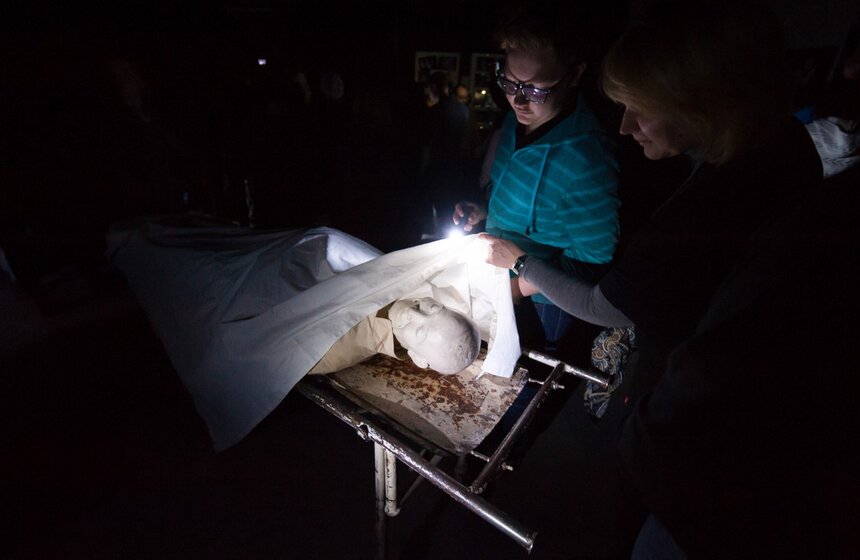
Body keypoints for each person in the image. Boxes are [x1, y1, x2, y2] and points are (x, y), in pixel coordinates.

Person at [480, 0, 823, 408]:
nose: (625, 127)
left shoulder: (708, 206)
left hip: (685, 399)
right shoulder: (779, 146)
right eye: (510, 83)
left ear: (702, 103)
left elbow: (604, 299)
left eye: (641, 110)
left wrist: (520, 267)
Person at [107, 217, 520, 451]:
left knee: (187, 277)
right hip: (276, 251)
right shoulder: (412, 293)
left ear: (418, 360)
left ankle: (138, 248)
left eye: (418, 326)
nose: (418, 307)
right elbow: (344, 254)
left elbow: (276, 336)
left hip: (247, 283)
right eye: (433, 307)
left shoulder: (342, 346)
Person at [453, 0, 620, 361]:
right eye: (510, 82)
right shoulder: (516, 123)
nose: (518, 99)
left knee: (522, 380)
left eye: (536, 88)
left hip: (544, 305)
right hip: (499, 278)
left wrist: (516, 287)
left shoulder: (586, 158)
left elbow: (592, 263)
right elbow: (520, 189)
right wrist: (484, 209)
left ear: (574, 75)